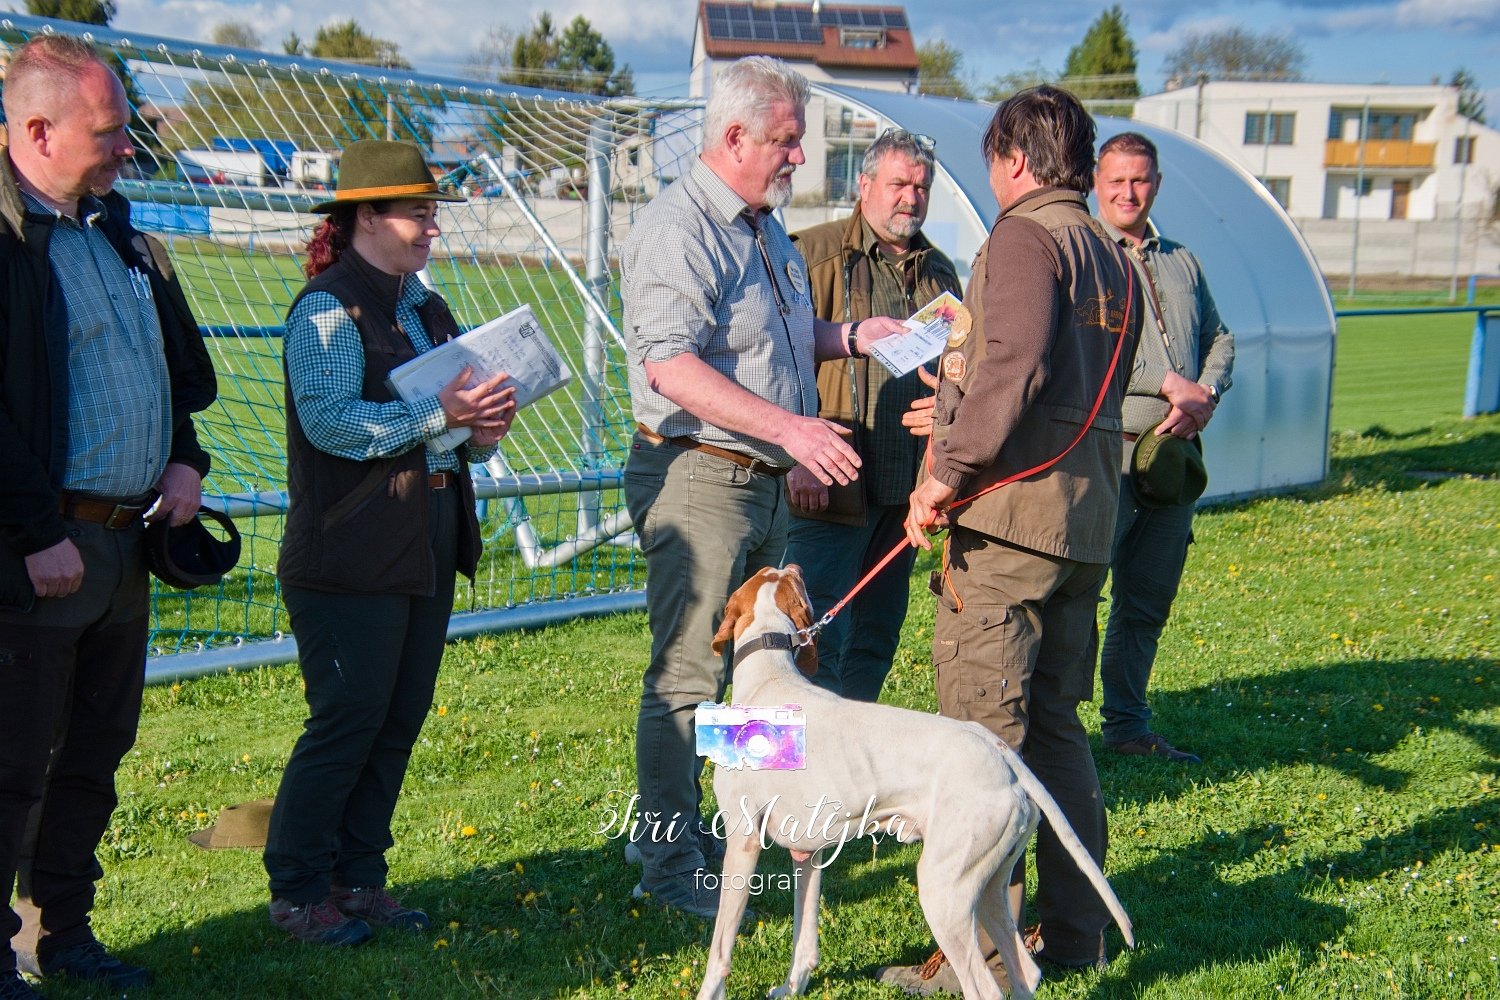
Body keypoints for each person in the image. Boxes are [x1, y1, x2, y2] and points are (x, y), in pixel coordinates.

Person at [620, 56, 907, 918]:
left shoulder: (763, 227)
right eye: (786, 141)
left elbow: (767, 340)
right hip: (699, 476)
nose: (798, 156)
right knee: (687, 678)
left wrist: (851, 336)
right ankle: (669, 860)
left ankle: (745, 826)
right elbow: (669, 365)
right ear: (735, 136)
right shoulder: (679, 227)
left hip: (761, 484)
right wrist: (791, 428)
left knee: (763, 668)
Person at [888, 85, 1142, 992]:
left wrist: (946, 471)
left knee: (981, 748)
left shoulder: (1026, 237)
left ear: (1018, 161)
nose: (991, 176)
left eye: (993, 159)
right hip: (1083, 524)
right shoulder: (1112, 254)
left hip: (1009, 525)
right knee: (1055, 734)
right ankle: (1075, 937)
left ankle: (988, 962)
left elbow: (1016, 363)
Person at [0, 34, 217, 997]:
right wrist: (36, 530)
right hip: (38, 552)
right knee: (12, 762)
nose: (129, 145)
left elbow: (173, 371)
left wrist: (184, 457)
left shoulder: (117, 233)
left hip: (124, 545)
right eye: (109, 130)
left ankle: (60, 933)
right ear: (38, 131)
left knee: (93, 753)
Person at [263, 139, 516, 946]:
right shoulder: (327, 308)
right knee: (348, 718)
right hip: (350, 548)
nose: (432, 227)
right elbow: (331, 424)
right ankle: (299, 890)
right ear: (366, 217)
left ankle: (359, 879)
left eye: (432, 213)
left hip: (427, 533)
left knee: (397, 717)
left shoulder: (424, 307)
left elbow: (445, 431)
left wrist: (482, 430)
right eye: (417, 213)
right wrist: (442, 414)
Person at [784, 128, 961, 702]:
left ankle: (853, 746)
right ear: (864, 186)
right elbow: (777, 359)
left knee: (875, 638)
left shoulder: (940, 273)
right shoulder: (812, 255)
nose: (912, 197)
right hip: (829, 484)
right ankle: (793, 754)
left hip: (903, 492)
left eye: (922, 187)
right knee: (807, 635)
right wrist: (796, 457)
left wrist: (947, 416)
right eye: (899, 184)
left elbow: (963, 368)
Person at [1094, 132, 1234, 764]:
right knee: (1076, 600)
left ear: (1156, 184)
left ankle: (1126, 728)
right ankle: (1055, 733)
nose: (1129, 192)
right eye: (1117, 180)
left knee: (1146, 602)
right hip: (1108, 456)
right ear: (1096, 184)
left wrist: (1205, 392)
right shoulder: (1086, 255)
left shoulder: (1182, 260)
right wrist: (1166, 382)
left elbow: (1220, 337)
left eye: (1140, 180)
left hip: (1172, 459)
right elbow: (1086, 347)